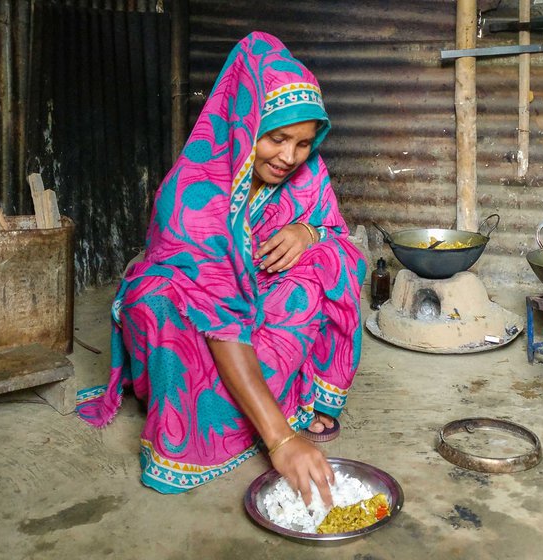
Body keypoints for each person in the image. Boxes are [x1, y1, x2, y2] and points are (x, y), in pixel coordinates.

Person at [76, 32, 366, 505]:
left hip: (250, 306)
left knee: (334, 260)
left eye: (303, 143)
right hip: (200, 320)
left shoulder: (304, 171)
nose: (289, 158)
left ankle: (280, 398)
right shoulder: (191, 197)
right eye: (276, 138)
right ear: (243, 123)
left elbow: (334, 229)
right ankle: (220, 423)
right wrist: (282, 441)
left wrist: (307, 234)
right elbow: (223, 326)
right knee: (159, 304)